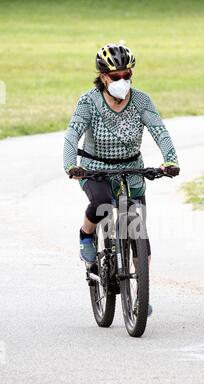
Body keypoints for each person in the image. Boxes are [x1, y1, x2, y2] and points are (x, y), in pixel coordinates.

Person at [63, 43, 180, 315]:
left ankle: (142, 291)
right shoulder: (88, 101)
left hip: (131, 168)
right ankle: (86, 235)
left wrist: (170, 160)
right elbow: (71, 135)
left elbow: (160, 131)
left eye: (127, 75)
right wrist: (71, 165)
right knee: (102, 201)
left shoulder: (141, 101)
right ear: (103, 76)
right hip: (95, 168)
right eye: (116, 77)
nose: (122, 81)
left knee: (136, 227)